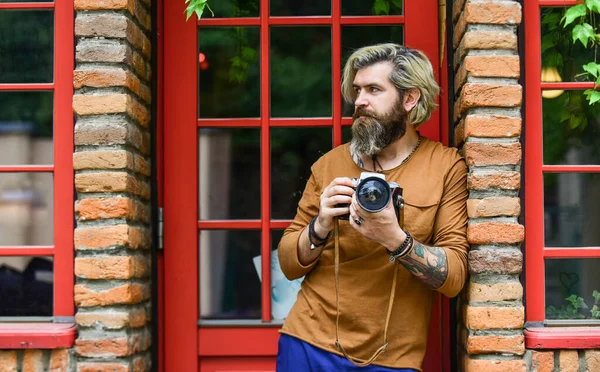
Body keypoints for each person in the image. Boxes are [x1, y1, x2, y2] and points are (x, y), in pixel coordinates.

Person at [276, 44, 469, 371]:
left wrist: (395, 238)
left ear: (410, 99)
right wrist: (320, 225)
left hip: (392, 358)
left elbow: (455, 277)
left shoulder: (445, 166)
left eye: (374, 90)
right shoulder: (328, 165)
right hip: (309, 342)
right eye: (357, 90)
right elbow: (288, 264)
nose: (359, 101)